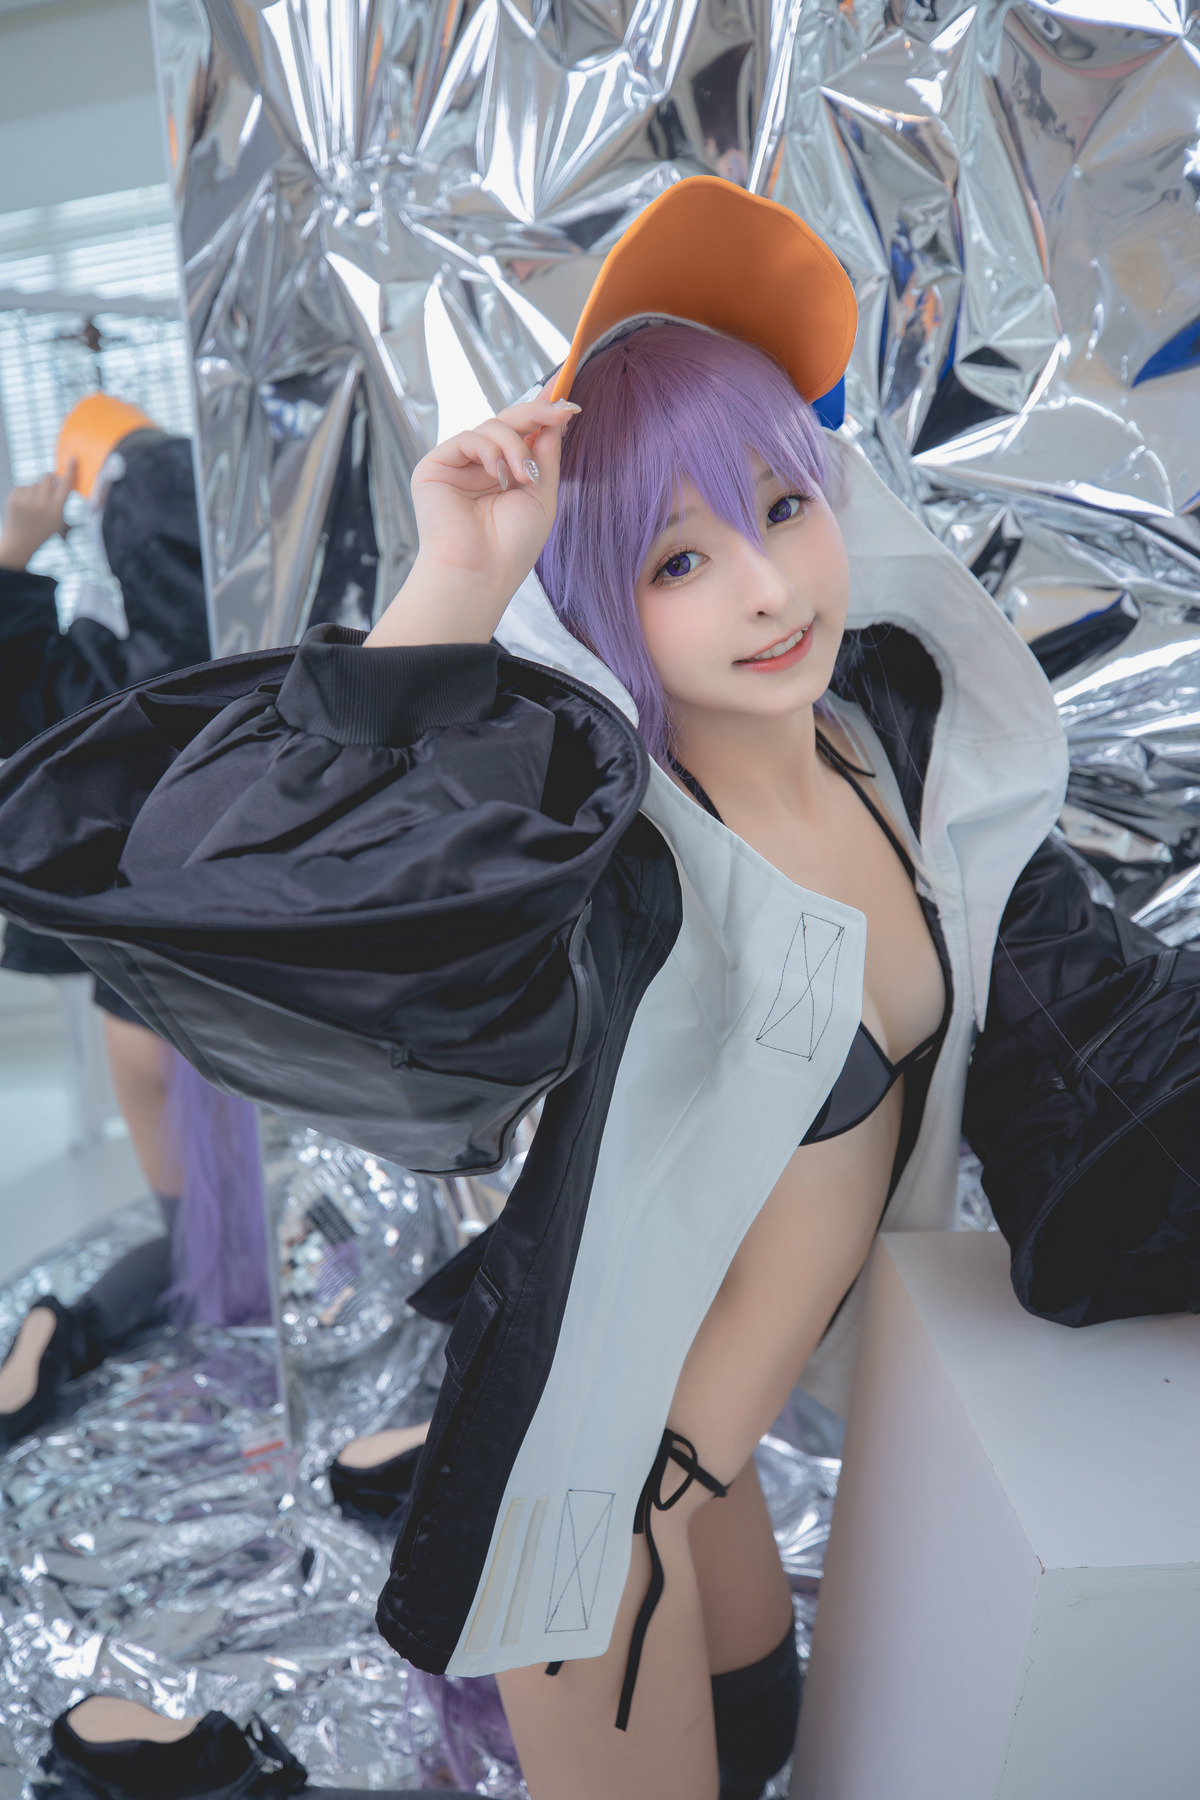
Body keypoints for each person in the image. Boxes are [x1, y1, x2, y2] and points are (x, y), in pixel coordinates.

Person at [0, 178, 1188, 1800]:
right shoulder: (615, 854)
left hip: (719, 1474)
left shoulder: (893, 738)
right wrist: (458, 579)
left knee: (768, 1745)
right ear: (593, 594)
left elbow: (1091, 1020)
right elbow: (275, 864)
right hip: (588, 1509)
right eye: (677, 558)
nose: (767, 589)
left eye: (781, 505)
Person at [0, 407, 267, 1445]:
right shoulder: (274, 665)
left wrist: (17, 557)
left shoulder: (101, 686)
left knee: (197, 1235)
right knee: (268, 1236)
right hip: (246, 984)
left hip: (136, 991)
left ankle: (61, 1329)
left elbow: (20, 703)